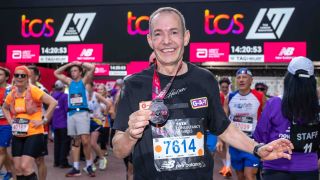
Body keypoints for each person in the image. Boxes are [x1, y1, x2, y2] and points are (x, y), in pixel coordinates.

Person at [112, 7, 293, 180]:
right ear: (150, 40)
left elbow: (223, 127)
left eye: (174, 32)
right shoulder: (133, 84)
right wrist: (130, 135)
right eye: (158, 34)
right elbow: (119, 149)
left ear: (186, 37)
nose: (166, 40)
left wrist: (258, 149)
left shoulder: (204, 79)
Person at [254, 56, 320, 180]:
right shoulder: (316, 107)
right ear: (312, 81)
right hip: (308, 168)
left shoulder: (274, 103)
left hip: (275, 167)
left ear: (288, 79)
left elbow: (260, 136)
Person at [2, 66, 57, 180]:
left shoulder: (34, 90)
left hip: (34, 132)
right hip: (18, 133)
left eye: (23, 75)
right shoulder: (12, 93)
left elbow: (53, 102)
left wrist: (44, 120)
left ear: (28, 77)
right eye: (17, 75)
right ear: (14, 77)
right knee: (17, 168)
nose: (20, 77)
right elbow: (5, 107)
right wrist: (10, 121)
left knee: (25, 166)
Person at [54, 61, 96, 177]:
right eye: (71, 71)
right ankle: (76, 167)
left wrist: (80, 63)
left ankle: (88, 165)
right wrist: (68, 65)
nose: (73, 73)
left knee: (85, 140)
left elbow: (92, 68)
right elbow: (56, 72)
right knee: (75, 141)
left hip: (82, 113)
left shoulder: (83, 81)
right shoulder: (69, 82)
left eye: (75, 70)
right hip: (71, 114)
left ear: (80, 72)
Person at [224, 68, 265, 180]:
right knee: (240, 176)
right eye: (239, 77)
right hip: (236, 143)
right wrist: (220, 139)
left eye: (245, 77)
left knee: (249, 175)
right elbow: (223, 119)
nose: (241, 80)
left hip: (253, 142)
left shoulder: (259, 96)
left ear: (251, 80)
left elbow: (266, 118)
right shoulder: (230, 97)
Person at [86, 82, 114, 171]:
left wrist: (105, 114)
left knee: (95, 143)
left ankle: (101, 158)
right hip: (88, 121)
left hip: (101, 123)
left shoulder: (105, 98)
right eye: (99, 89)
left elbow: (111, 110)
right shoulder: (87, 96)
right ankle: (91, 164)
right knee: (88, 144)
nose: (99, 90)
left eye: (101, 89)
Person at [27, 65, 49, 180]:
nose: (27, 77)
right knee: (24, 160)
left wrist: (43, 121)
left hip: (39, 130)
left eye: (29, 75)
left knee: (39, 160)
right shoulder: (19, 89)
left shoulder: (42, 90)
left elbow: (51, 107)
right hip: (24, 129)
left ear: (36, 76)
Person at [51, 80, 71, 168]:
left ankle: (57, 161)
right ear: (63, 88)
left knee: (57, 143)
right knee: (64, 143)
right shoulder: (65, 96)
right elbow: (67, 110)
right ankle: (63, 162)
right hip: (64, 123)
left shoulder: (52, 96)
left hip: (55, 123)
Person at [216, 77, 232, 177]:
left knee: (228, 147)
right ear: (220, 87)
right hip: (218, 124)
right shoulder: (217, 96)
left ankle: (227, 167)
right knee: (220, 148)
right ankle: (225, 165)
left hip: (230, 125)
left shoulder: (232, 96)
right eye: (223, 87)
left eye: (226, 87)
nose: (225, 89)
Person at [0, 67, 14, 180]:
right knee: (3, 150)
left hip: (6, 123)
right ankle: (10, 171)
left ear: (6, 77)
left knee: (1, 149)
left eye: (0, 75)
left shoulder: (11, 89)